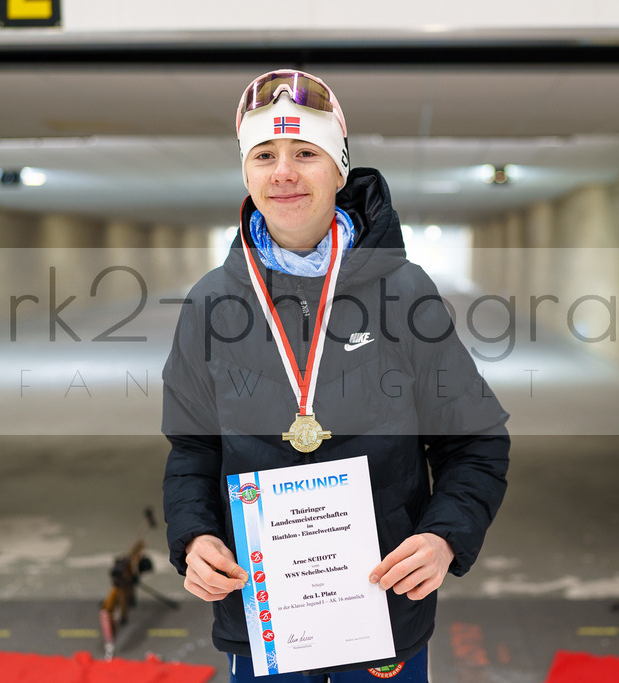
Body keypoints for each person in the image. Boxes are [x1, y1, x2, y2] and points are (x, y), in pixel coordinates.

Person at [162, 69, 510, 682]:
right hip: (265, 615)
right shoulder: (211, 303)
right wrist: (193, 538)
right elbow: (192, 447)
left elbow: (475, 442)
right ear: (246, 172)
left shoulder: (404, 292)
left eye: (306, 153)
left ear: (341, 169)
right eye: (264, 154)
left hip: (383, 607)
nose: (284, 173)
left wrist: (444, 539)